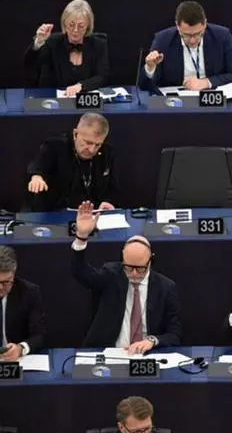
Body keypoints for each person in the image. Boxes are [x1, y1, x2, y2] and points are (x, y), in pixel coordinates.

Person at [72, 202, 182, 353]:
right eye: (129, 267)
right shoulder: (111, 275)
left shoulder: (166, 288)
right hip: (111, 352)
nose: (134, 274)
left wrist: (152, 341)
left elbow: (175, 335)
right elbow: (80, 273)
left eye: (141, 268)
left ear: (151, 261)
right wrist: (81, 237)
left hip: (146, 355)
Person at [139, 1, 232, 92]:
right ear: (177, 26)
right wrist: (150, 68)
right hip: (176, 103)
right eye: (186, 35)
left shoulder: (221, 36)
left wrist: (207, 82)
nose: (192, 41)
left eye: (197, 34)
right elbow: (144, 86)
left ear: (205, 24)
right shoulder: (163, 40)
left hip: (211, 99)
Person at [25, 112, 117, 212]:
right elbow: (39, 164)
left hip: (92, 213)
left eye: (98, 145)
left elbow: (112, 186)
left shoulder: (107, 153)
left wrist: (108, 201)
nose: (92, 150)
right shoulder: (56, 146)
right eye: (88, 143)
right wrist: (37, 176)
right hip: (56, 212)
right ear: (75, 134)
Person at [24, 0, 108, 95]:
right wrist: (39, 41)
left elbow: (103, 76)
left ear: (88, 26)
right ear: (64, 23)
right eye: (71, 25)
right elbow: (30, 64)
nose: (75, 30)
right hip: (54, 100)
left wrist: (81, 86)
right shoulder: (53, 42)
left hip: (85, 100)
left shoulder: (98, 44)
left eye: (81, 26)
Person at [0, 246, 47, 360]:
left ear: (13, 274)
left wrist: (20, 348)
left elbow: (40, 335)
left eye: (6, 282)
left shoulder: (29, 292)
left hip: (15, 360)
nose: (0, 287)